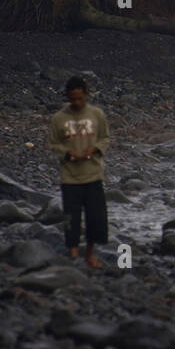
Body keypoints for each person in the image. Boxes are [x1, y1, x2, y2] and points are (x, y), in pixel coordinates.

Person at [48, 76, 111, 269]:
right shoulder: (59, 118)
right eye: (72, 99)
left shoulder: (96, 114)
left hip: (93, 174)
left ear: (86, 96)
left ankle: (90, 253)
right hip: (70, 176)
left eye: (79, 99)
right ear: (67, 97)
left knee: (95, 217)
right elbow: (54, 144)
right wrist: (67, 153)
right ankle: (73, 252)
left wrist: (95, 149)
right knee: (71, 217)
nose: (76, 103)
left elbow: (105, 138)